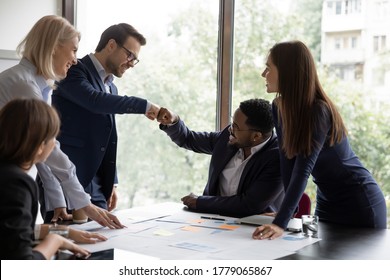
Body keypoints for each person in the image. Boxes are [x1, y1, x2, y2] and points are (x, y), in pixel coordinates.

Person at [252, 40, 387, 240]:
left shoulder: (318, 111)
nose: (264, 74)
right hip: (327, 201)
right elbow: (287, 161)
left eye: (268, 68)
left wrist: (281, 221)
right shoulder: (279, 107)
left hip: (360, 202)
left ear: (288, 72)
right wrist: (287, 213)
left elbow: (302, 169)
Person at [0, 15, 123, 228]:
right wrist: (84, 202)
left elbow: (41, 150)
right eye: (74, 50)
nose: (75, 59)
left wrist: (57, 201)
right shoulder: (23, 85)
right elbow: (51, 149)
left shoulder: (36, 85)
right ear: (54, 46)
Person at [52, 23, 169, 210]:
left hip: (97, 186)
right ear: (111, 45)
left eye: (135, 59)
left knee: (102, 238)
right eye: (130, 55)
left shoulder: (111, 86)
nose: (131, 63)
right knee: (66, 238)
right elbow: (95, 101)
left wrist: (111, 182)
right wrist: (145, 106)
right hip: (67, 181)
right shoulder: (73, 70)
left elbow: (107, 139)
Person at [0, 99, 107, 260]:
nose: (55, 145)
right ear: (40, 145)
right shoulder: (16, 184)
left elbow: (12, 231)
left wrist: (65, 232)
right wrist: (54, 241)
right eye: (54, 138)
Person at [158, 98, 284, 217]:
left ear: (256, 136)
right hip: (212, 220)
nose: (230, 129)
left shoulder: (278, 158)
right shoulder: (227, 137)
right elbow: (189, 139)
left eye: (236, 126)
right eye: (232, 123)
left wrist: (200, 202)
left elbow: (248, 205)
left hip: (253, 229)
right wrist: (173, 121)